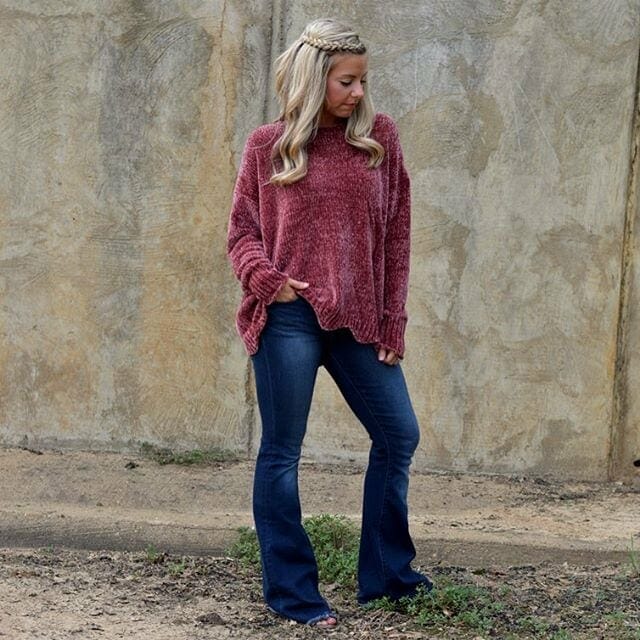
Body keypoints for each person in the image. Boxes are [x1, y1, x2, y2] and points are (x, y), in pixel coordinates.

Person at [226, 17, 432, 629]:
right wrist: (269, 281)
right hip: (289, 317)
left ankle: (388, 576)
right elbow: (241, 233)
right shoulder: (268, 145)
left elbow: (397, 233)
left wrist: (392, 319)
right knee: (282, 452)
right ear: (315, 80)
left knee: (398, 435)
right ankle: (293, 593)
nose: (359, 92)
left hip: (358, 320)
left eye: (363, 80)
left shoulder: (379, 139)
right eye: (347, 82)